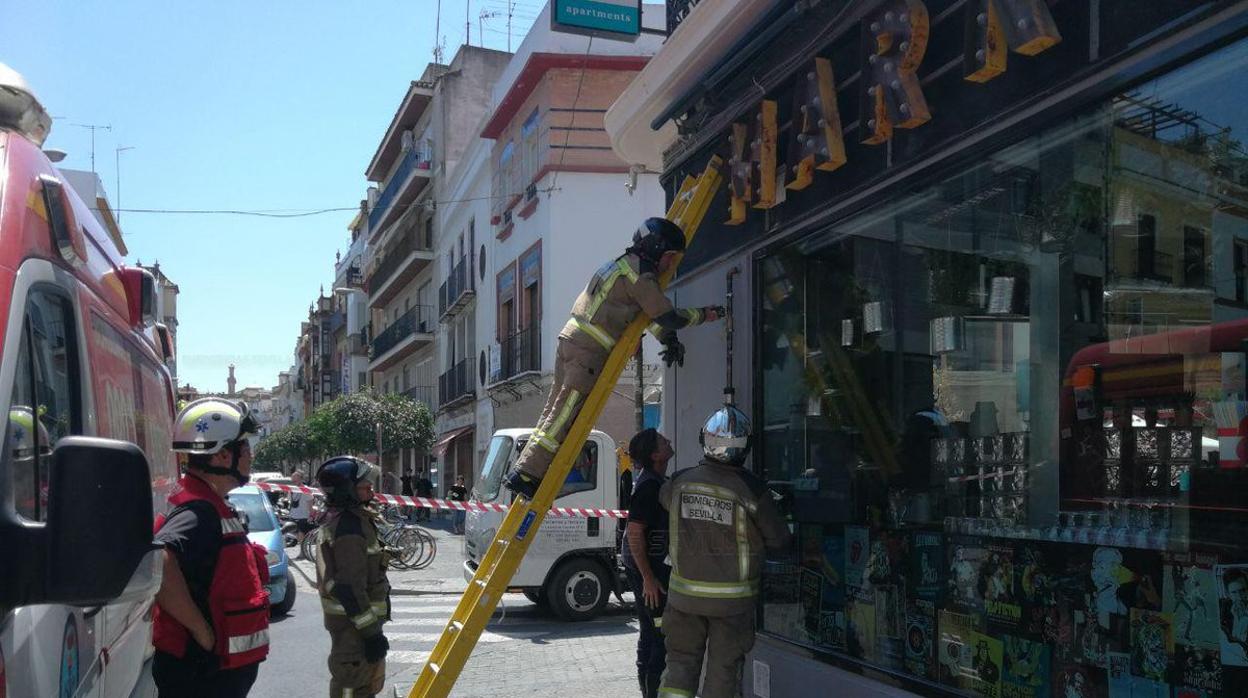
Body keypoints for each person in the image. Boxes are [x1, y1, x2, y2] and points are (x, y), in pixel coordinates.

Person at [503, 217, 725, 499]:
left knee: (553, 412)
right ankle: (527, 474)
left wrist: (666, 339)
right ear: (656, 250)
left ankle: (527, 468)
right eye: (670, 258)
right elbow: (666, 315)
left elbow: (639, 317)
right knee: (565, 415)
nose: (670, 266)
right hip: (588, 352)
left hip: (571, 340)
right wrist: (705, 314)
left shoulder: (622, 266)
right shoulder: (641, 277)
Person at [657, 404, 791, 698]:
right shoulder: (752, 490)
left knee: (679, 665)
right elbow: (779, 539)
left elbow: (665, 500)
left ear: (704, 440)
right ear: (746, 448)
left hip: (683, 599)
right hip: (732, 604)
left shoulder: (678, 481)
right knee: (722, 673)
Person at [151, 398, 269, 698]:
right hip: (201, 675)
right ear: (222, 456)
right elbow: (161, 563)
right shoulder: (200, 511)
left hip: (206, 674)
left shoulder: (206, 502)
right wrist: (202, 633)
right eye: (245, 449)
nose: (250, 456)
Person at [315, 456, 391, 698]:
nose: (371, 490)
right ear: (347, 491)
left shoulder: (354, 520)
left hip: (353, 625)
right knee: (352, 686)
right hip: (353, 628)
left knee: (364, 685)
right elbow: (349, 588)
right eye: (364, 486)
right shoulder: (349, 529)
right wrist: (372, 635)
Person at [620, 429, 674, 698]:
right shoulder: (650, 487)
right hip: (647, 573)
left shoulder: (655, 481)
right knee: (657, 636)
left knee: (649, 633)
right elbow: (634, 532)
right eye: (663, 442)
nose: (669, 442)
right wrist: (648, 578)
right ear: (655, 455)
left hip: (648, 569)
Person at [288, 470, 314, 559]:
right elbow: (290, 501)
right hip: (294, 515)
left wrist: (311, 514)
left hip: (303, 515)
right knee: (298, 535)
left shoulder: (306, 490)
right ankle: (303, 551)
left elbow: (310, 502)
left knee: (301, 534)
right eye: (293, 478)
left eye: (296, 478)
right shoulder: (291, 489)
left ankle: (302, 553)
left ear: (301, 479)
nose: (294, 480)